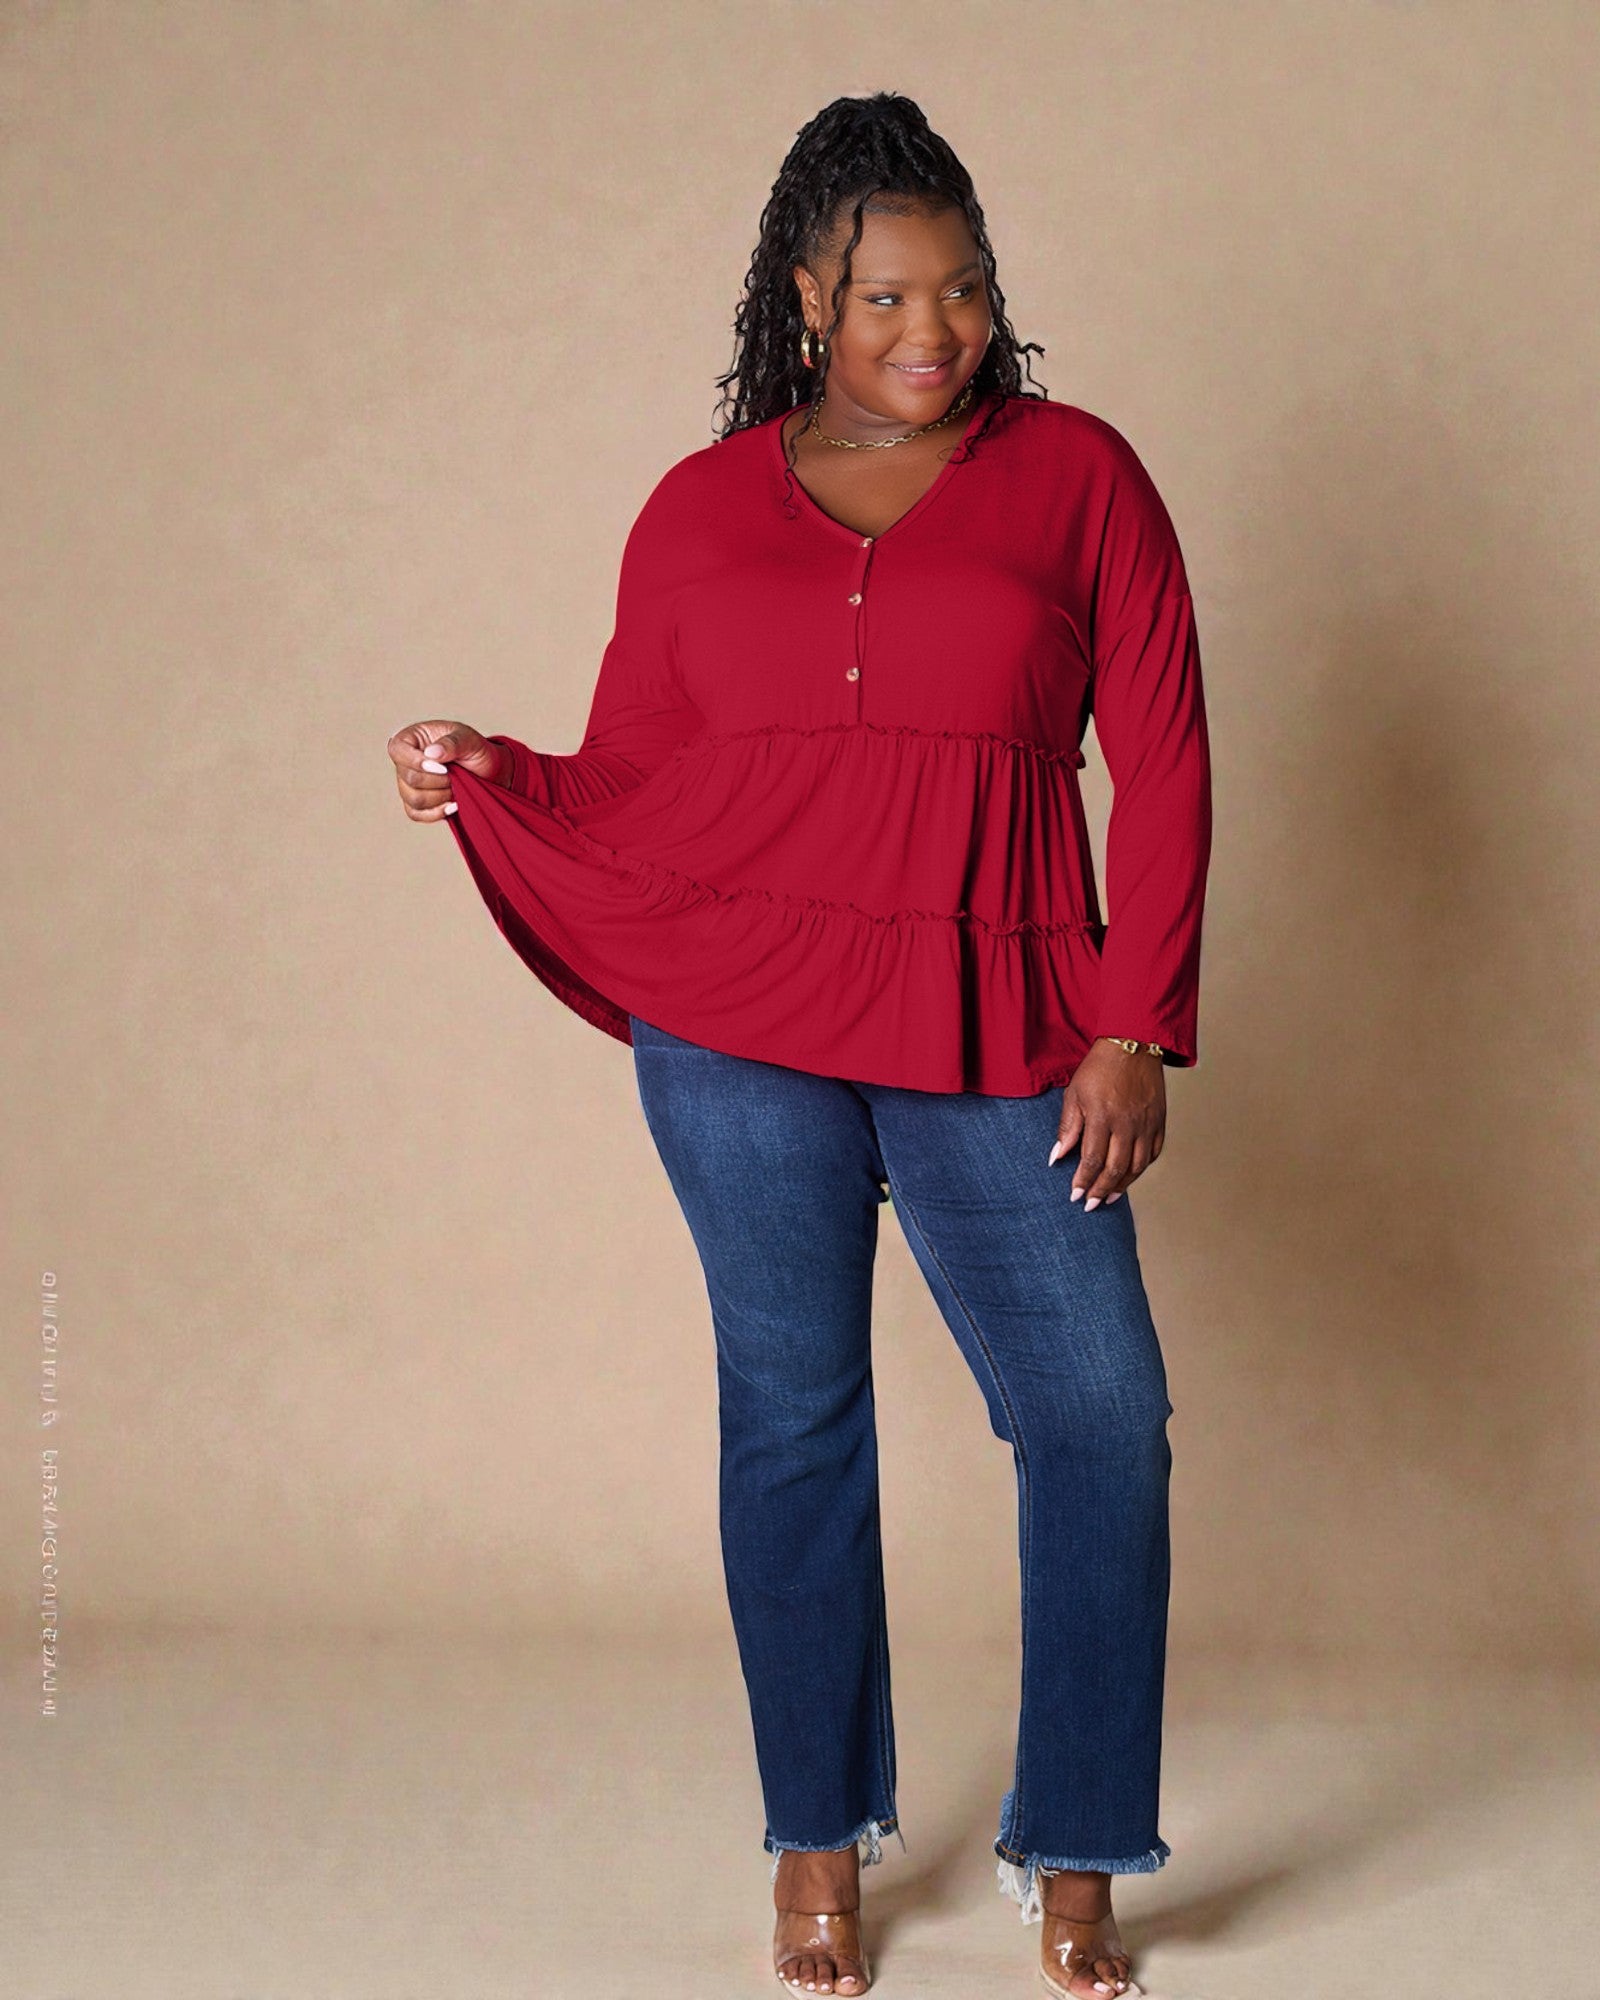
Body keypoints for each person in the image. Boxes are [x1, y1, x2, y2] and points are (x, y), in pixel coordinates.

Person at [388, 90, 1211, 2000]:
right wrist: (491, 773)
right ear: (804, 297)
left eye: (966, 292)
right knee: (794, 1418)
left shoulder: (1082, 476)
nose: (933, 333)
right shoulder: (693, 510)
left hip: (1004, 1012)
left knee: (1097, 1418)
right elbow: (644, 777)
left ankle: (1081, 1847)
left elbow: (1160, 759)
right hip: (738, 1027)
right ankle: (815, 1844)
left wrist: (1128, 1016)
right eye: (884, 298)